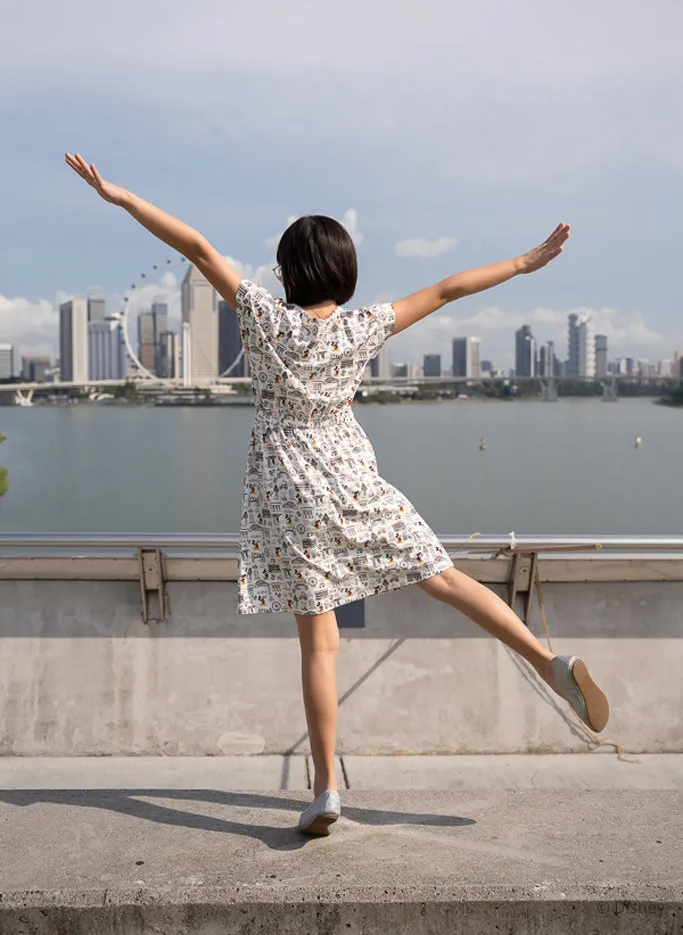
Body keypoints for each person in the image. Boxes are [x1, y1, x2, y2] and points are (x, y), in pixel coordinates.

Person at [65, 152, 610, 837]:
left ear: (287, 275)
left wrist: (121, 197)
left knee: (319, 644)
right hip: (351, 474)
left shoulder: (265, 318)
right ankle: (545, 660)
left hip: (287, 486)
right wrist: (524, 263)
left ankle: (325, 789)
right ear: (345, 275)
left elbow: (197, 246)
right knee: (443, 576)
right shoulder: (362, 327)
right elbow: (445, 290)